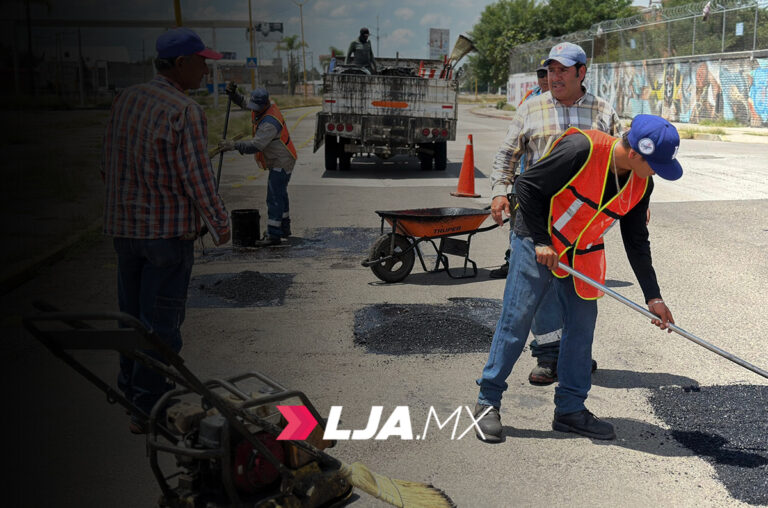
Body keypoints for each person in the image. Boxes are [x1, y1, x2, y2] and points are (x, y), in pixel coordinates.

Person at [473, 114, 682, 443]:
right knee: (517, 319)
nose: (657, 171)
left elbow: (637, 241)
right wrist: (541, 241)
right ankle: (488, 402)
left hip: (581, 250)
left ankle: (570, 410)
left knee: (581, 329)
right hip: (537, 237)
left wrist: (653, 297)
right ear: (637, 153)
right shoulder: (580, 149)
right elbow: (527, 187)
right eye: (655, 163)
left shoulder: (642, 183)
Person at [101, 27, 231, 434]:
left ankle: (131, 393)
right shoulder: (184, 111)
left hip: (125, 232)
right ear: (181, 64)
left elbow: (107, 163)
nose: (206, 72)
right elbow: (197, 179)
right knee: (160, 326)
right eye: (202, 63)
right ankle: (150, 409)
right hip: (167, 236)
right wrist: (220, 224)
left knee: (131, 319)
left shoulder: (126, 99)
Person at [488, 42, 623, 386]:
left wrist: (637, 204)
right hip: (537, 217)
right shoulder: (531, 109)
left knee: (576, 291)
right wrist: (500, 192)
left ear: (582, 72)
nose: (555, 76)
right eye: (551, 69)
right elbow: (507, 154)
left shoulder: (603, 112)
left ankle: (574, 354)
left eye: (563, 69)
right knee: (541, 295)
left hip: (581, 221)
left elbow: (624, 160)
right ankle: (548, 356)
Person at [489, 61, 549, 279]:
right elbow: (513, 144)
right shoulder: (530, 100)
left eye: (548, 73)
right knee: (518, 225)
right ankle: (512, 263)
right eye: (541, 73)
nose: (545, 78)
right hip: (525, 176)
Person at [219, 85, 297, 246]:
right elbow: (245, 103)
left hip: (282, 160)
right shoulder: (263, 105)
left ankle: (274, 234)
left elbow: (256, 146)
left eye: (256, 107)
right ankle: (284, 228)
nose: (253, 109)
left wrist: (233, 145)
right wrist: (234, 95)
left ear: (265, 104)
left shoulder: (270, 122)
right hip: (281, 157)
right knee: (280, 193)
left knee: (274, 196)